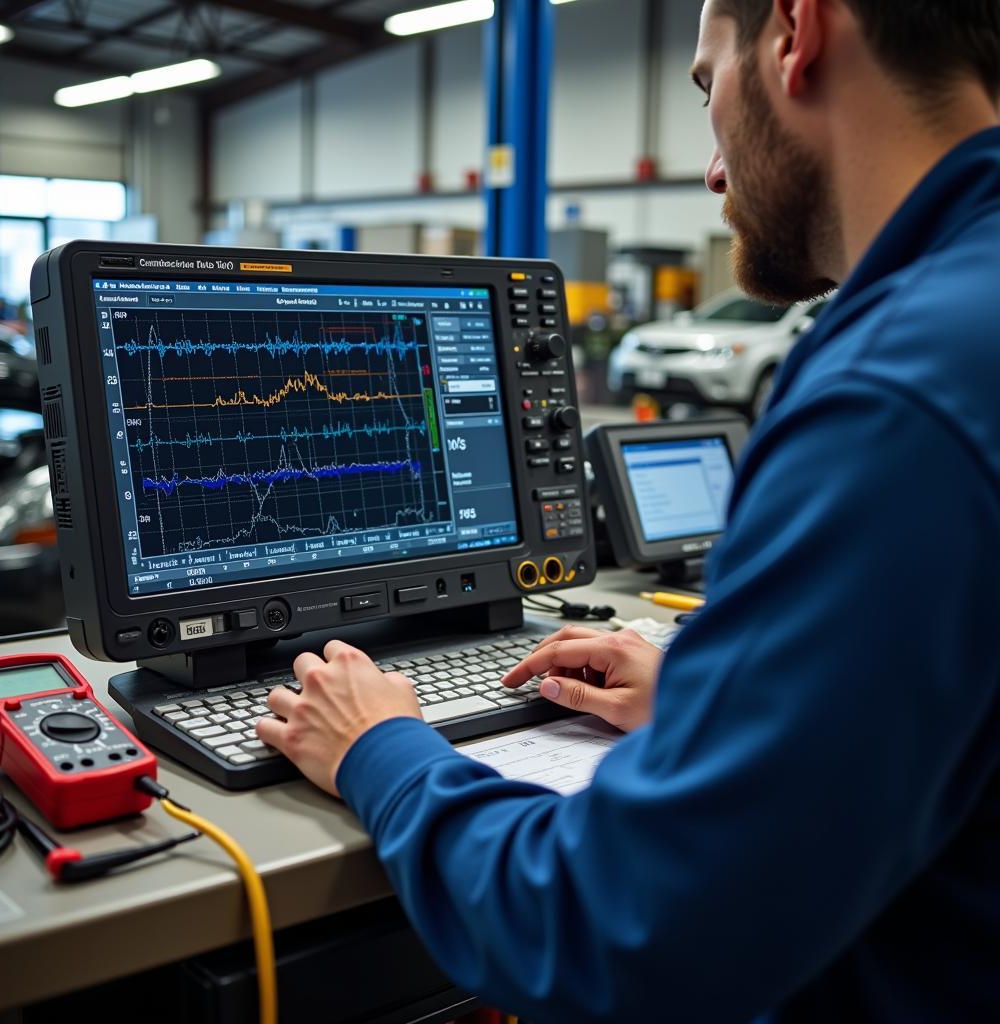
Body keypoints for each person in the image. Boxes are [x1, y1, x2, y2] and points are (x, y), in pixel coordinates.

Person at [257, 1, 1000, 1020]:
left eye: (706, 89)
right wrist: (718, 698)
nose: (709, 169)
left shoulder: (894, 395)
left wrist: (379, 748)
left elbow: (613, 928)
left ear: (794, 31)